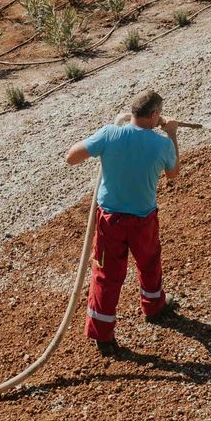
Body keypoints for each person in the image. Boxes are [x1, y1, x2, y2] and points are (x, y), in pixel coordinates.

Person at [66, 89, 180, 350]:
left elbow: (71, 158)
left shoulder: (109, 133)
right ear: (154, 115)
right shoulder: (161, 144)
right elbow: (173, 173)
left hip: (110, 220)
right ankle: (154, 308)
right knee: (149, 262)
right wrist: (172, 133)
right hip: (143, 220)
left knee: (106, 275)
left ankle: (102, 336)